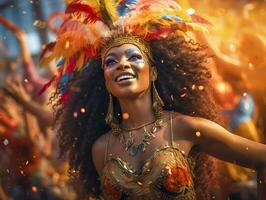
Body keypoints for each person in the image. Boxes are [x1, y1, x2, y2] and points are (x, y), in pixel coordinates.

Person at [41, 0, 266, 199]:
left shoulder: (184, 128)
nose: (122, 64)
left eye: (134, 57)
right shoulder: (100, 149)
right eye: (111, 62)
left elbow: (262, 159)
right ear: (105, 81)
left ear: (154, 72)